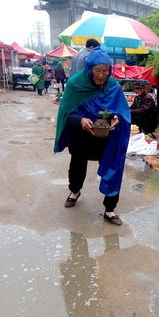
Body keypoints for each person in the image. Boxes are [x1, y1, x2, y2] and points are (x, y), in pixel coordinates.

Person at [54, 48, 130, 226]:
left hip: (106, 137)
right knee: (77, 166)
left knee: (114, 167)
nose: (101, 75)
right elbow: (66, 113)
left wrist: (116, 118)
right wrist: (80, 120)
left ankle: (110, 209)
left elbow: (121, 111)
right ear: (89, 69)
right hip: (82, 136)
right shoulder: (75, 85)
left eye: (105, 70)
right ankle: (75, 191)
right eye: (97, 70)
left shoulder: (113, 86)